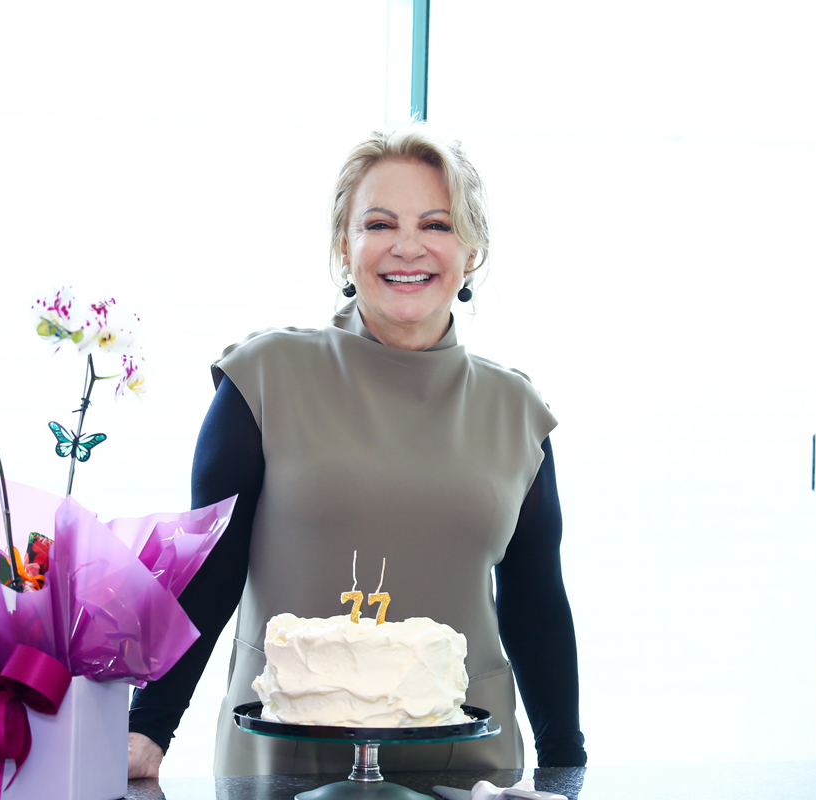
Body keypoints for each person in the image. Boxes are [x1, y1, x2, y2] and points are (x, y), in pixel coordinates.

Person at [127, 127, 586, 777]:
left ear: (472, 249)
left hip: (472, 769)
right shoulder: (264, 377)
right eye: (379, 224)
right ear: (344, 247)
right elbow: (210, 571)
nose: (407, 246)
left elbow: (535, 600)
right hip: (285, 765)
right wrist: (149, 728)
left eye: (436, 224)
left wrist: (565, 764)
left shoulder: (517, 410)